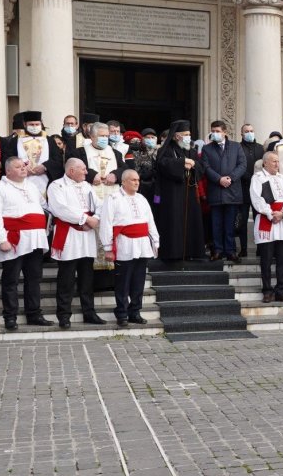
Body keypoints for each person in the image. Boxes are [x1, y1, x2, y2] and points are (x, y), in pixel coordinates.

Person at [0, 157, 52, 331]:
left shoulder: (32, 186)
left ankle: (34, 313)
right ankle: (10, 316)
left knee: (34, 278)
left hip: (34, 238)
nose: (23, 169)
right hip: (13, 239)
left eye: (23, 166)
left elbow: (44, 206)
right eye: (18, 166)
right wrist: (1, 239)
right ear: (8, 171)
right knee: (11, 280)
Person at [47, 158, 104, 328]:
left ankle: (89, 312)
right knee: (66, 278)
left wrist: (96, 219)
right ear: (71, 171)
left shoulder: (87, 186)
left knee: (87, 278)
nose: (87, 173)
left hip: (86, 237)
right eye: (83, 169)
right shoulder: (56, 185)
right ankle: (64, 315)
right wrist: (86, 218)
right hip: (69, 236)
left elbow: (100, 205)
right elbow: (60, 209)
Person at [100, 170, 160, 327]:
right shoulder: (113, 198)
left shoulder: (141, 199)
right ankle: (122, 313)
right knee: (123, 281)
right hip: (124, 244)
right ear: (124, 181)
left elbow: (150, 221)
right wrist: (107, 247)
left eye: (138, 180)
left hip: (142, 245)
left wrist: (155, 241)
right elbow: (106, 223)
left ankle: (135, 312)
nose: (137, 182)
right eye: (133, 180)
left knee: (138, 282)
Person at [155, 120, 205, 261]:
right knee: (174, 221)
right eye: (186, 134)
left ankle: (191, 251)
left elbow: (202, 167)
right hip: (172, 193)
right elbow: (162, 164)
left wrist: (194, 164)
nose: (189, 137)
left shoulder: (191, 150)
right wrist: (182, 163)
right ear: (177, 136)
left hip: (189, 192)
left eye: (189, 134)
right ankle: (173, 253)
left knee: (191, 221)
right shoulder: (166, 150)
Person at [250, 151, 283, 303]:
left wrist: (282, 212)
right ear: (265, 163)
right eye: (274, 161)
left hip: (282, 220)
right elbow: (257, 199)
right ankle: (267, 290)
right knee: (266, 259)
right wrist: (271, 214)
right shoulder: (258, 178)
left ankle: (281, 290)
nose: (277, 164)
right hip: (266, 220)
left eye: (278, 161)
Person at [201, 120, 246, 262]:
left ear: (225, 132)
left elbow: (242, 165)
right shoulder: (207, 149)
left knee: (230, 224)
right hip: (216, 191)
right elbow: (206, 167)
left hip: (232, 192)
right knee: (216, 224)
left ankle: (231, 251)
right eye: (213, 131)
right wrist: (219, 179)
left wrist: (230, 178)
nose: (215, 134)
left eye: (217, 131)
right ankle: (218, 250)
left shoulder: (236, 146)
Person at [0, 110, 63, 200]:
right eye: (31, 124)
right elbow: (7, 159)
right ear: (25, 124)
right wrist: (22, 167)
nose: (34, 127)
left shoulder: (49, 140)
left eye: (37, 124)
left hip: (45, 180)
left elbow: (58, 159)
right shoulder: (14, 141)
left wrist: (45, 167)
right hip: (21, 181)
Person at [237, 123, 264, 256]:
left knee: (259, 220)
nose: (249, 133)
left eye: (251, 131)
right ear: (241, 134)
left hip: (259, 191)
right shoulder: (237, 148)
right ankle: (243, 248)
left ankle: (260, 247)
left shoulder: (260, 148)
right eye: (246, 131)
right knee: (242, 220)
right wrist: (251, 177)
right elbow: (237, 166)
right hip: (242, 189)